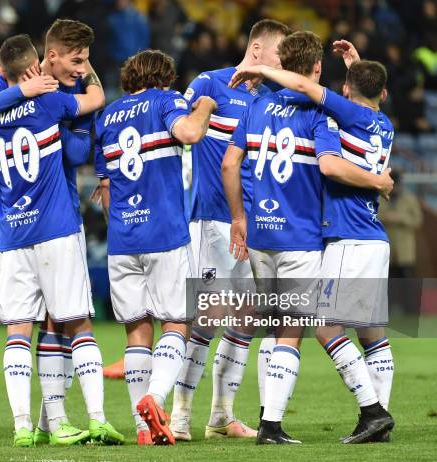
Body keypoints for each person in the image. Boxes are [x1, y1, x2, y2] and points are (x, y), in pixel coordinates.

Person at [222, 31, 393, 444]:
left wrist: (239, 218)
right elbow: (332, 163)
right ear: (318, 69)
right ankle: (367, 413)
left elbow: (230, 163)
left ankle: (273, 421)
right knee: (319, 328)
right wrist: (380, 182)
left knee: (282, 325)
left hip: (262, 235)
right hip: (307, 235)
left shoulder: (256, 104)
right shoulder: (325, 114)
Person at [0, 34, 123, 448]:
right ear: (36, 66)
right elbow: (94, 103)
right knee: (79, 324)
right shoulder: (50, 103)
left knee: (18, 331)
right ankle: (98, 419)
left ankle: (22, 426)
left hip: (14, 235)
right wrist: (87, 75)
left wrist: (15, 89)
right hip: (55, 229)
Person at [170, 19, 292, 442]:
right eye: (279, 55)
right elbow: (184, 132)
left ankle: (222, 415)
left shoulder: (273, 99)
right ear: (257, 49)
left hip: (254, 224)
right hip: (212, 220)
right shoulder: (211, 84)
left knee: (247, 320)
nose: (283, 65)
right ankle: (179, 415)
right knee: (205, 320)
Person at [95, 49, 217, 445]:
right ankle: (155, 398)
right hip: (164, 233)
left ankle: (141, 428)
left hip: (122, 239)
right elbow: (189, 133)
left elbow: (107, 190)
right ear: (164, 77)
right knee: (177, 323)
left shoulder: (107, 116)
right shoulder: (167, 100)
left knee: (136, 332)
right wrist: (205, 106)